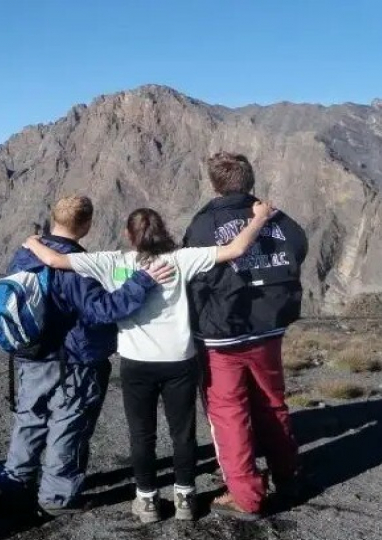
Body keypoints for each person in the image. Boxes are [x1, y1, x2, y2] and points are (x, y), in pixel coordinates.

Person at [23, 200, 275, 523]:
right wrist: (259, 218)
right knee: (182, 432)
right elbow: (236, 248)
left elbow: (53, 260)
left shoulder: (111, 262)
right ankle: (184, 497)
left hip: (136, 364)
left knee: (142, 434)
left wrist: (32, 241)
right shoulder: (181, 259)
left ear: (129, 235)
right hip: (179, 362)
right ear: (162, 231)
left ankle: (147, 502)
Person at [0, 195, 174, 516]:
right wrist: (141, 283)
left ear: (53, 219)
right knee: (68, 424)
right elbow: (103, 310)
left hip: (30, 355)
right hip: (73, 362)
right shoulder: (77, 266)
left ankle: (16, 478)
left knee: (30, 417)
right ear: (87, 225)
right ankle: (57, 497)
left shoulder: (24, 254)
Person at [182, 152, 308, 519]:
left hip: (223, 334)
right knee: (272, 401)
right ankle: (288, 474)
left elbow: (192, 267)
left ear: (215, 184)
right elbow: (297, 248)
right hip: (269, 327)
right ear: (249, 181)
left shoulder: (205, 224)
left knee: (228, 412)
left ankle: (247, 495)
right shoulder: (277, 218)